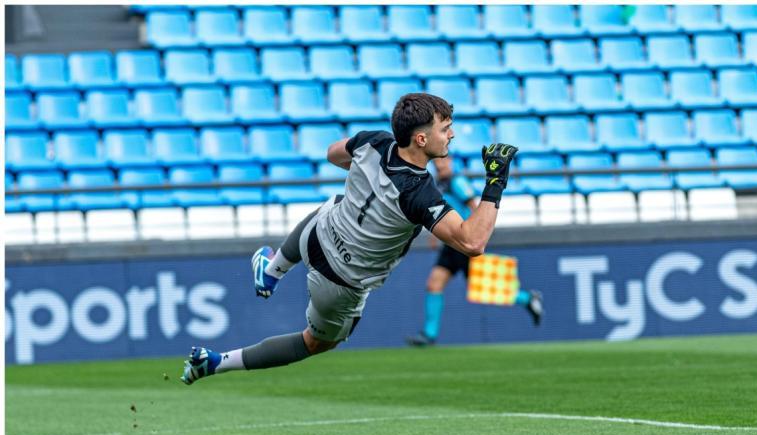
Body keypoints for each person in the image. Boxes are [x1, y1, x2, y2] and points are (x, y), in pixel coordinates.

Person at [180, 93, 518, 384]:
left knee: (337, 203)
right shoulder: (420, 193)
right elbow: (473, 242)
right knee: (315, 342)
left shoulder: (374, 140)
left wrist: (366, 176)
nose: (451, 135)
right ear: (421, 139)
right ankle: (216, 363)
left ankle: (274, 269)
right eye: (444, 129)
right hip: (341, 282)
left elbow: (333, 153)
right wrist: (495, 183)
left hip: (315, 236)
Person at [406, 157, 543, 347]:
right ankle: (429, 335)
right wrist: (435, 236)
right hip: (451, 243)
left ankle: (527, 298)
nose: (440, 166)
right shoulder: (440, 184)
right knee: (434, 284)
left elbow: (473, 205)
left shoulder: (457, 182)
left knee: (484, 287)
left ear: (451, 162)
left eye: (443, 163)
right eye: (437, 164)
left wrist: (475, 233)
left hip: (462, 242)